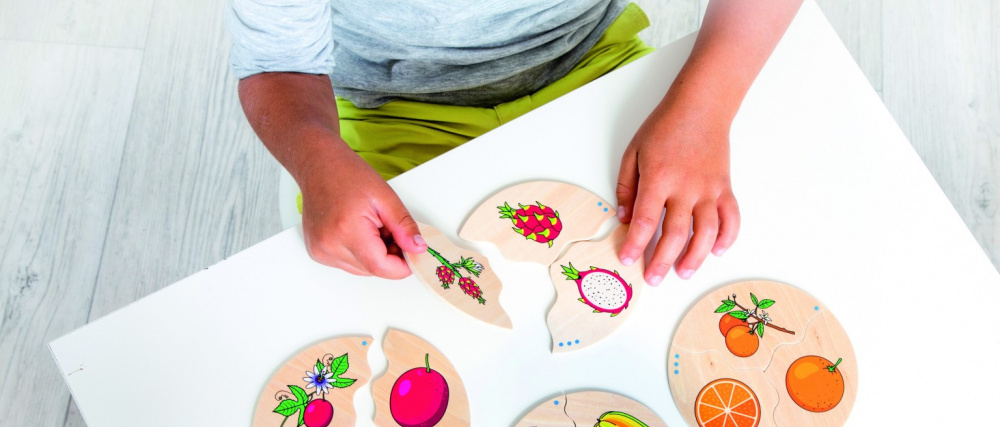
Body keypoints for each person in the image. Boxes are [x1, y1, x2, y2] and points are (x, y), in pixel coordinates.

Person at [227, 0, 803, 285]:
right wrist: (316, 155)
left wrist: (703, 114)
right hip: (391, 109)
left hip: (592, 60)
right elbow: (277, 61)